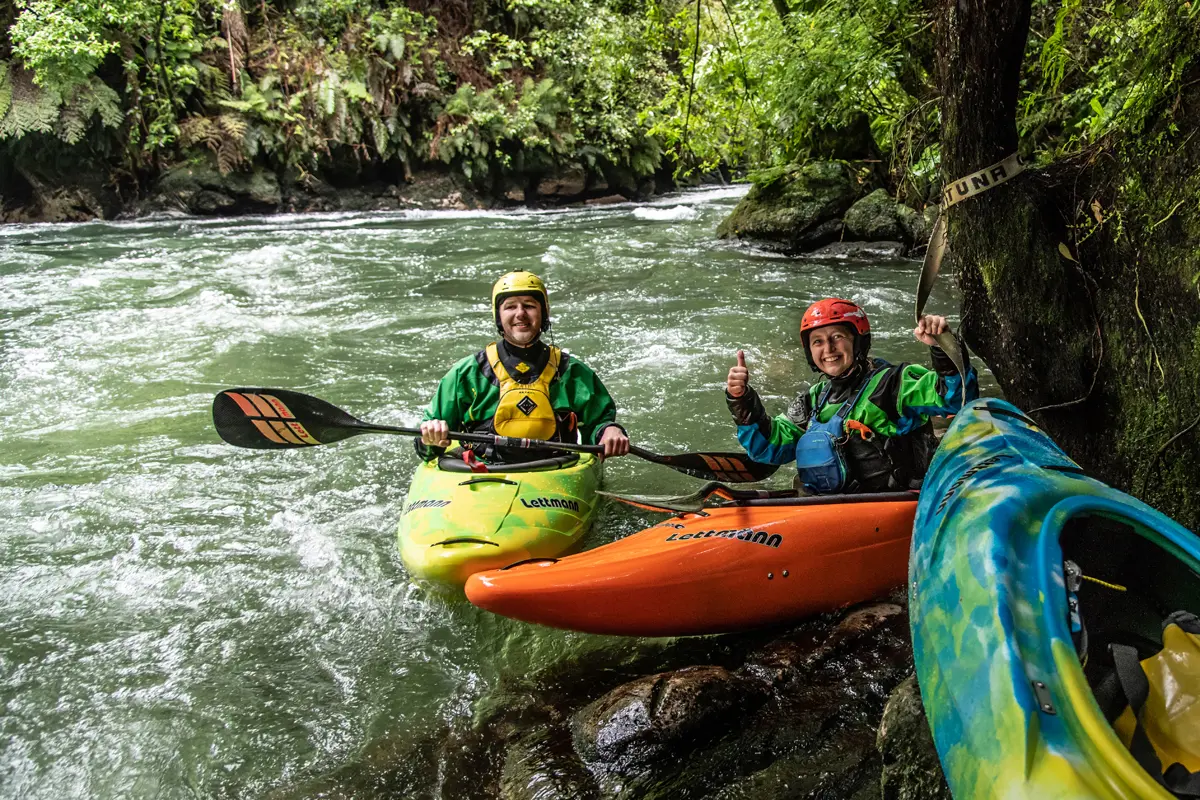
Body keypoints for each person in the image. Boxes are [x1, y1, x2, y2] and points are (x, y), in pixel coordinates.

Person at [725, 297, 978, 494]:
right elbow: (769, 448)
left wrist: (943, 346)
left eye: (837, 337)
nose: (828, 349)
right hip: (834, 510)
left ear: (858, 342)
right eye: (817, 341)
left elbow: (956, 400)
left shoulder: (893, 385)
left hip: (892, 504)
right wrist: (741, 400)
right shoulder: (813, 400)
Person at [417, 271, 630, 464]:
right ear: (498, 316)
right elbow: (426, 451)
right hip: (483, 467)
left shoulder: (571, 372)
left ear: (543, 313)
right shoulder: (468, 372)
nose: (520, 314)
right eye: (510, 306)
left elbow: (599, 423)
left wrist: (610, 430)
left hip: (556, 465)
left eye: (529, 305)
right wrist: (431, 436)